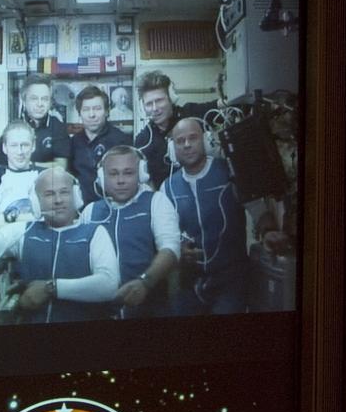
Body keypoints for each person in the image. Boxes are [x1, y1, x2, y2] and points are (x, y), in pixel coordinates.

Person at [0, 167, 119, 323]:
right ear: (36, 201)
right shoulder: (24, 231)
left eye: (64, 192)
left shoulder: (95, 233)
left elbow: (109, 284)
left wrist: (50, 288)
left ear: (76, 197)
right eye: (50, 194)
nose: (58, 200)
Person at [161, 117, 249, 315]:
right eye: (180, 141)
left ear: (206, 140)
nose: (187, 145)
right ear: (172, 148)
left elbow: (258, 209)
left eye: (193, 138)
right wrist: (178, 250)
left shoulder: (229, 171)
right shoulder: (167, 187)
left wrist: (268, 229)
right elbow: (166, 236)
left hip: (231, 281)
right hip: (191, 284)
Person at [81, 146, 180, 317]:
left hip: (150, 309)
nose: (121, 180)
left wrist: (145, 282)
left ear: (141, 175)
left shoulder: (156, 202)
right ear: (101, 178)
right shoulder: (90, 212)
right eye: (113, 174)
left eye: (128, 173)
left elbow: (170, 249)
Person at [133, 70, 207, 188]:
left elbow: (227, 104)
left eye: (159, 100)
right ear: (143, 107)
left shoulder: (193, 114)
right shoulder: (143, 141)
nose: (155, 108)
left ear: (171, 98)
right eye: (149, 104)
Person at [0, 75, 69, 170]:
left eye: (44, 99)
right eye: (34, 98)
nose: (40, 104)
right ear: (23, 101)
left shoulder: (58, 127)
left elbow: (61, 166)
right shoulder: (12, 129)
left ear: (50, 102)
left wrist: (28, 165)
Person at [69, 85, 128, 205]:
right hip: (83, 212)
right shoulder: (73, 142)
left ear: (107, 111)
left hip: (115, 208)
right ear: (79, 113)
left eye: (97, 109)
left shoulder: (121, 140)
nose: (92, 115)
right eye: (86, 110)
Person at [0, 121, 39, 225]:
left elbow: (55, 217)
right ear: (5, 148)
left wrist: (8, 218)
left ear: (33, 146)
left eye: (25, 145)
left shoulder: (46, 176)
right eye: (14, 145)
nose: (20, 152)